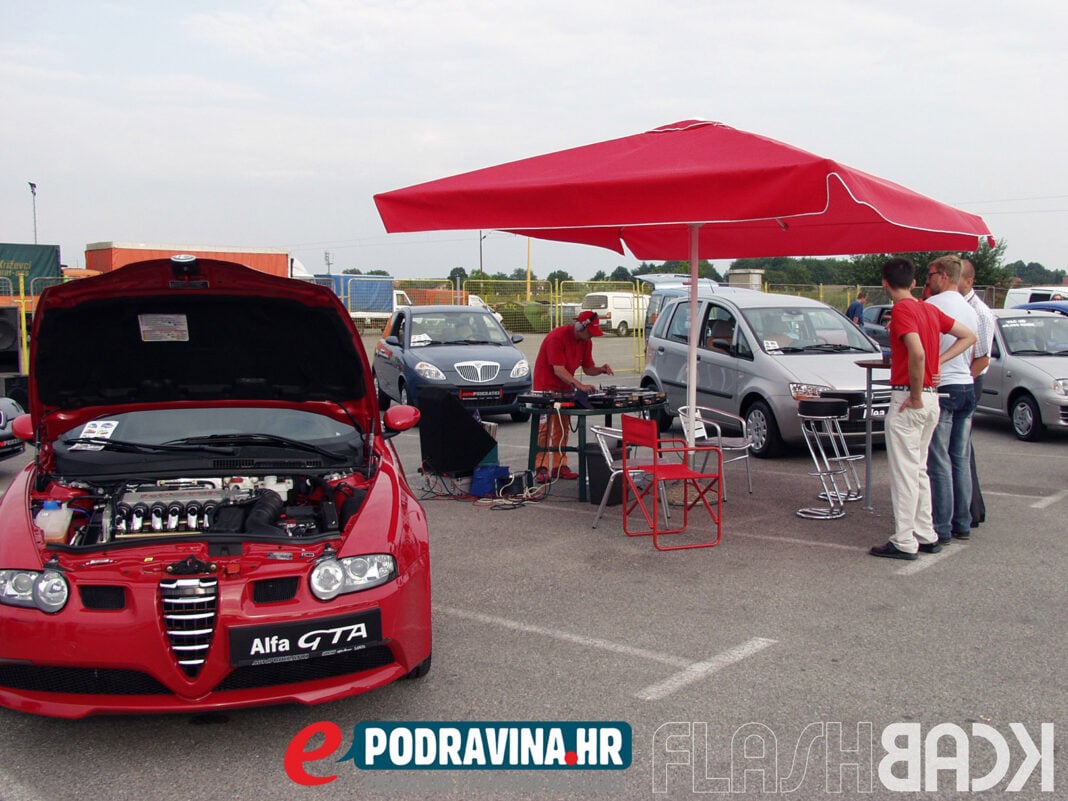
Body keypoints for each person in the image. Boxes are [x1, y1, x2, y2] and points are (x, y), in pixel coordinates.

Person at [870, 257, 976, 561]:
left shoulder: (902, 310)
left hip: (910, 397)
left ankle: (904, 540)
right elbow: (969, 336)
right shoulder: (929, 308)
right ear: (915, 282)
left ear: (885, 284)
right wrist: (937, 364)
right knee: (919, 470)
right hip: (932, 398)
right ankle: (925, 532)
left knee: (905, 471)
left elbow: (915, 351)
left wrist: (915, 393)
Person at [924, 255, 978, 545]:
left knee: (939, 460)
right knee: (960, 458)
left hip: (943, 387)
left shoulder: (933, 306)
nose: (928, 279)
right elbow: (974, 344)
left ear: (943, 276)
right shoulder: (971, 309)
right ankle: (962, 522)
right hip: (966, 385)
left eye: (931, 274)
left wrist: (939, 362)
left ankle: (941, 525)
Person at [532, 310, 614, 483]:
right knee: (544, 429)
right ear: (579, 326)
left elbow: (588, 368)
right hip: (545, 388)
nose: (591, 336)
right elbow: (558, 369)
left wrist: (600, 369)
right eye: (590, 332)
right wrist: (579, 385)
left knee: (563, 427)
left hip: (565, 388)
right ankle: (541, 467)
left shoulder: (586, 342)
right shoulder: (557, 337)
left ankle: (559, 466)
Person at [959, 258, 996, 528]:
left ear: (969, 281)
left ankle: (971, 510)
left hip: (970, 382)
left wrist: (962, 380)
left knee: (961, 446)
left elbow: (982, 358)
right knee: (960, 447)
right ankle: (971, 509)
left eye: (955, 276)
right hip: (962, 381)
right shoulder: (958, 307)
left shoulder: (979, 312)